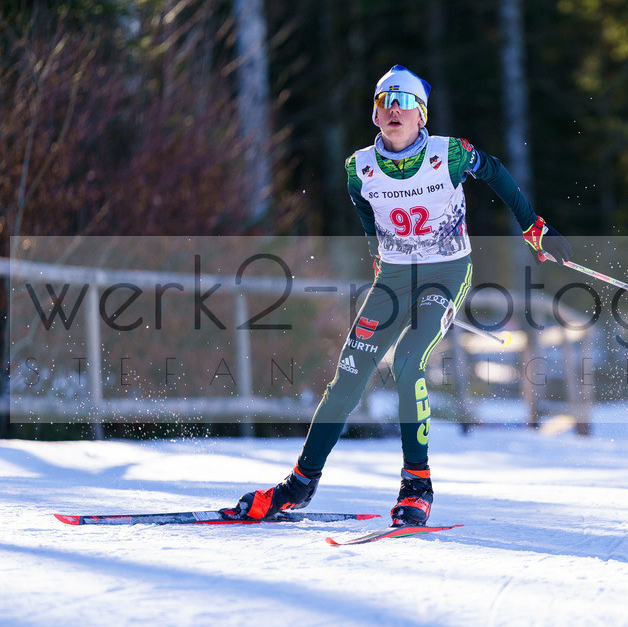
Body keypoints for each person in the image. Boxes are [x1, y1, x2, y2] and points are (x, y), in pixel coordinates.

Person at [226, 65, 571, 525]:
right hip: (393, 277)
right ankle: (300, 484)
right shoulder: (359, 167)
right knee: (349, 373)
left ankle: (417, 484)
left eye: (404, 102)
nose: (394, 109)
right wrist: (377, 258)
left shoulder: (447, 154)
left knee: (409, 360)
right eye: (385, 101)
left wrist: (533, 228)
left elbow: (496, 172)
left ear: (421, 115)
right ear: (374, 114)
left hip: (446, 273)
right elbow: (367, 214)